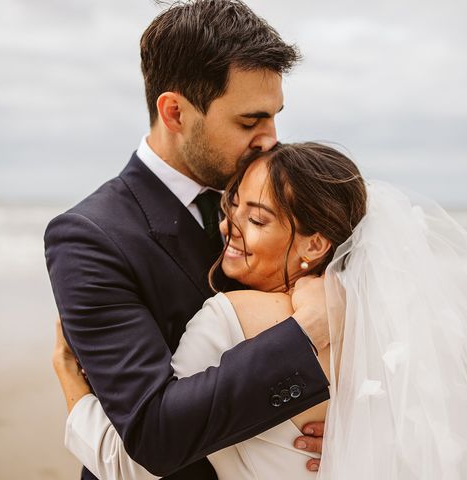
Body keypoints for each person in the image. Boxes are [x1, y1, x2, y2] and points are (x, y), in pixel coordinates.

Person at [54, 142, 467, 479]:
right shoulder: (383, 329)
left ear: (315, 244)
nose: (229, 225)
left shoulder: (232, 317)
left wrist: (73, 390)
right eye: (232, 204)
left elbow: (135, 462)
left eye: (256, 218)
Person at [45, 2, 329, 480]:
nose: (271, 140)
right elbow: (156, 434)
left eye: (275, 117)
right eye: (249, 121)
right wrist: (307, 335)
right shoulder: (90, 238)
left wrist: (350, 419)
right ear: (174, 112)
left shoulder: (288, 204)